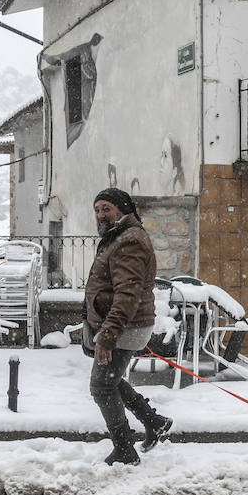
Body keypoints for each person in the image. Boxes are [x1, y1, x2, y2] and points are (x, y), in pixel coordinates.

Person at [84, 187, 173, 465]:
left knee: (101, 387)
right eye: (97, 209)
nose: (100, 214)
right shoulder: (120, 236)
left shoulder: (128, 241)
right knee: (111, 380)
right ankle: (154, 421)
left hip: (125, 327)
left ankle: (124, 449)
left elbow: (128, 293)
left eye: (106, 209)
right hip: (122, 324)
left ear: (123, 210)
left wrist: (108, 334)